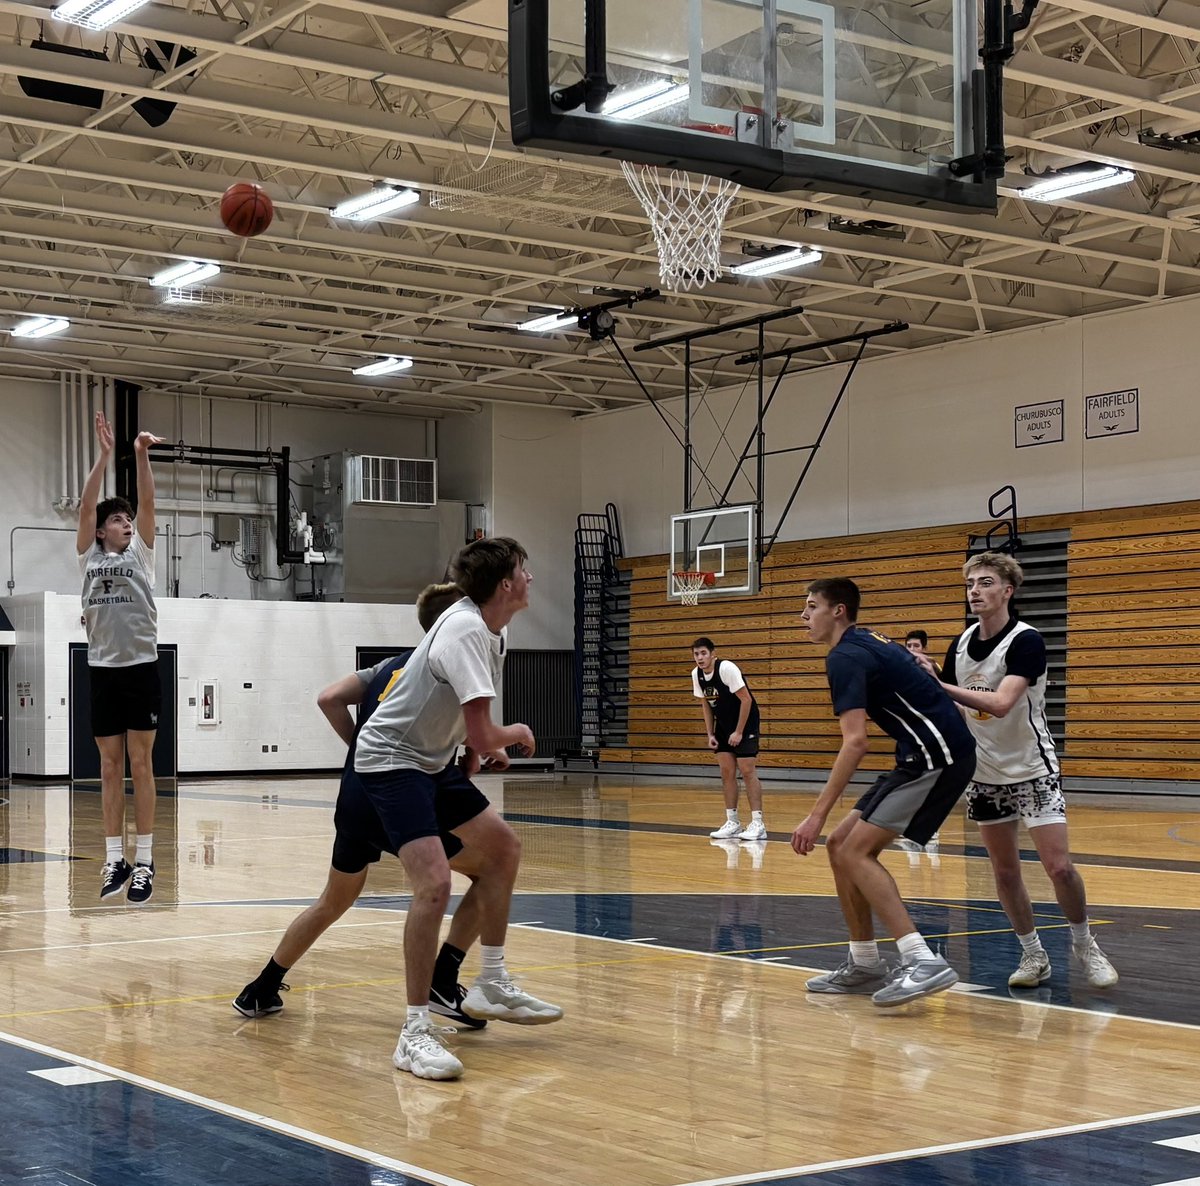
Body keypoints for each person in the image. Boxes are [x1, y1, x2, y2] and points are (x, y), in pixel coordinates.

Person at [233, 582, 497, 1031]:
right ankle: (442, 979)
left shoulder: (392, 668)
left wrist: (360, 749)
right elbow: (464, 744)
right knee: (491, 870)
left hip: (356, 792)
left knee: (333, 900)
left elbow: (328, 698)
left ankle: (261, 987)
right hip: (392, 795)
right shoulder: (448, 670)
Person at [921, 552, 1117, 991]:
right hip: (986, 776)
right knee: (1005, 873)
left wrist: (935, 682)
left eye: (985, 582)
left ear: (1007, 590)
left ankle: (1084, 943)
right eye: (971, 583)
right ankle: (1033, 954)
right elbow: (954, 704)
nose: (975, 590)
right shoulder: (961, 643)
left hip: (1032, 769)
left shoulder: (1026, 640)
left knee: (1059, 867)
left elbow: (1001, 702)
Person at [792, 578, 977, 1007]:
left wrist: (816, 814)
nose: (804, 616)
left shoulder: (845, 657)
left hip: (938, 753)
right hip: (923, 751)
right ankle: (865, 962)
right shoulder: (866, 639)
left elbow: (856, 742)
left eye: (812, 606)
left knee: (855, 850)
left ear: (838, 611)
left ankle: (922, 959)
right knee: (840, 846)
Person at [77, 411, 165, 905]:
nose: (126, 522)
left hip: (142, 669)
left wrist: (140, 453)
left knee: (141, 763)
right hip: (103, 672)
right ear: (101, 530)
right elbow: (88, 502)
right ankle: (115, 858)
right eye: (117, 519)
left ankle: (146, 862)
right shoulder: (87, 557)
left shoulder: (142, 557)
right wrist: (104, 456)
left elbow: (148, 499)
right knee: (110, 769)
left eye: (128, 518)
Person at [691, 637, 767, 841]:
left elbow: (746, 699)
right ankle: (732, 822)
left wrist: (739, 732)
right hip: (723, 725)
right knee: (726, 771)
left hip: (745, 722)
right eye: (696, 654)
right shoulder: (696, 674)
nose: (700, 658)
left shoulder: (727, 669)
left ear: (712, 653)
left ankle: (758, 823)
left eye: (703, 653)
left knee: (747, 770)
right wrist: (710, 733)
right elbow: (706, 704)